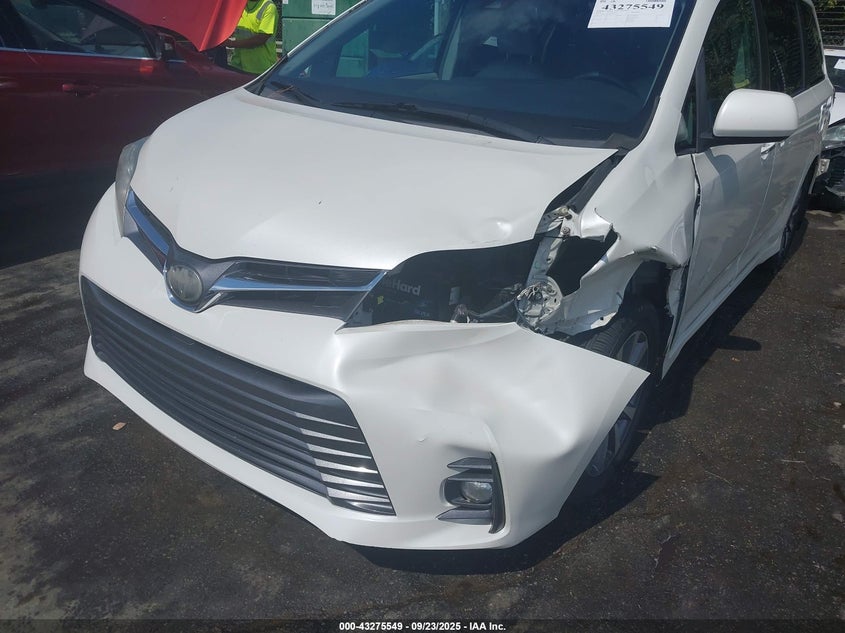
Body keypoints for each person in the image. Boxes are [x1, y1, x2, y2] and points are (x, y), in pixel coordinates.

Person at [226, 0, 279, 75]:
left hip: (260, 68)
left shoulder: (269, 7)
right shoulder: (241, 6)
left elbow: (261, 39)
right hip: (238, 64)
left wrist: (231, 43)